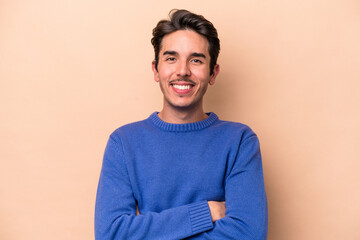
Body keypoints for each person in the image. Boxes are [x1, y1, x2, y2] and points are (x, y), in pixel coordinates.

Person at [95, 9, 268, 239]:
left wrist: (144, 230)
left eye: (196, 60)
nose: (183, 71)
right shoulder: (123, 143)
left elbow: (249, 233)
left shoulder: (239, 141)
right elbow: (111, 234)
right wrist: (206, 211)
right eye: (171, 58)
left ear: (213, 73)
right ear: (156, 69)